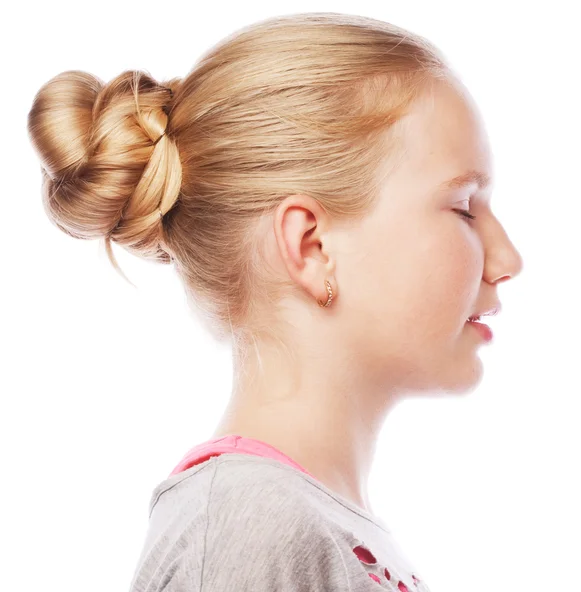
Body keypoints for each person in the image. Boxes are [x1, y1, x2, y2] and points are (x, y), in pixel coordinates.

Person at [26, 11, 523, 592]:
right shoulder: (250, 527)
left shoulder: (300, 523)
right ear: (311, 246)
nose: (508, 259)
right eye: (464, 206)